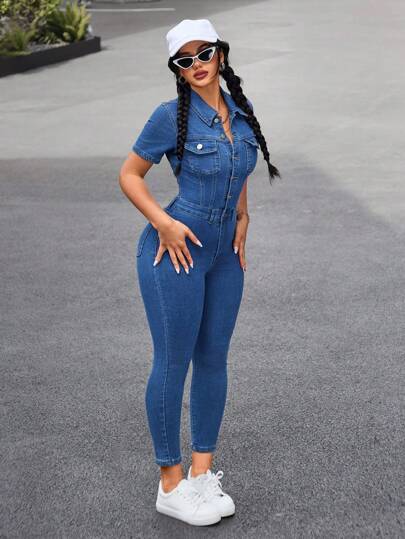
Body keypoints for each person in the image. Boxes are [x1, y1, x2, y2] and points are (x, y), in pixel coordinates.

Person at [119, 18, 280, 526]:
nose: (197, 65)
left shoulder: (241, 113)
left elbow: (239, 168)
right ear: (178, 70)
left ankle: (201, 474)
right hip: (175, 252)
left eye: (204, 53)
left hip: (224, 256)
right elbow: (129, 174)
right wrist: (163, 223)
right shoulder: (169, 116)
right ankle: (170, 484)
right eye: (184, 60)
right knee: (173, 361)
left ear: (220, 54)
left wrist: (243, 215)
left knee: (213, 359)